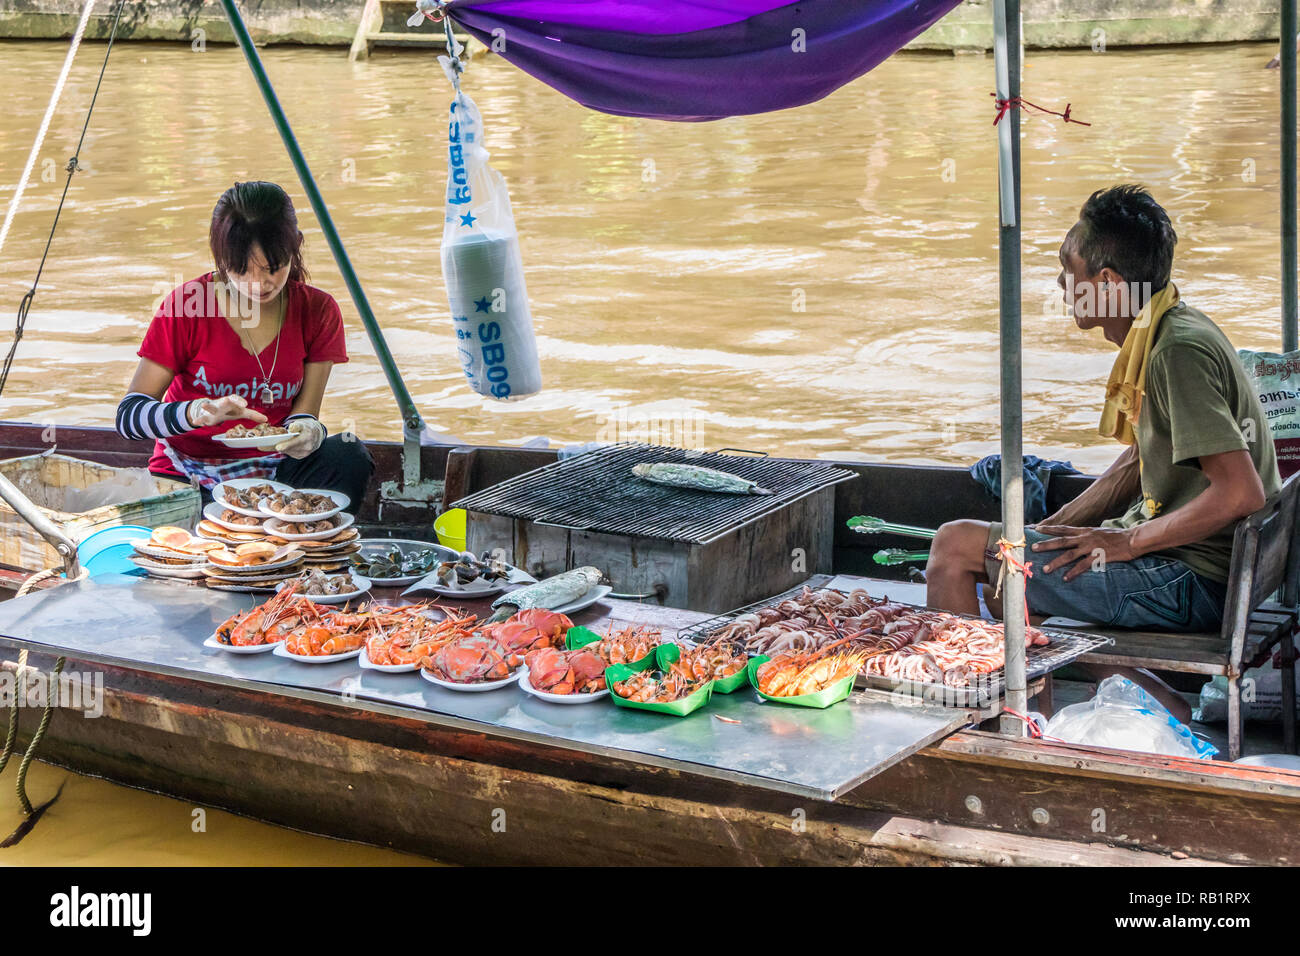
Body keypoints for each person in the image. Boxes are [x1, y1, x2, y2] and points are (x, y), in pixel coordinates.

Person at [926, 185, 1280, 719]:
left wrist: (1127, 543)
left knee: (954, 547)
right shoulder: (1169, 325)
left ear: (1108, 285)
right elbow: (1141, 461)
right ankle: (1123, 700)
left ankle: (971, 721)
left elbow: (1241, 492)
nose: (1061, 284)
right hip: (1202, 563)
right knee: (1008, 560)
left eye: (1069, 270)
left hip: (1197, 580)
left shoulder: (1175, 352)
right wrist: (1050, 530)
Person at [115, 181, 373, 512]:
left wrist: (310, 431)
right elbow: (128, 417)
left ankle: (304, 544)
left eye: (272, 268)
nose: (260, 284)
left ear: (295, 248)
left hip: (276, 471)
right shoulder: (189, 305)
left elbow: (305, 414)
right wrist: (194, 413)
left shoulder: (317, 310)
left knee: (348, 454)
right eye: (242, 271)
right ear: (221, 260)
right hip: (189, 474)